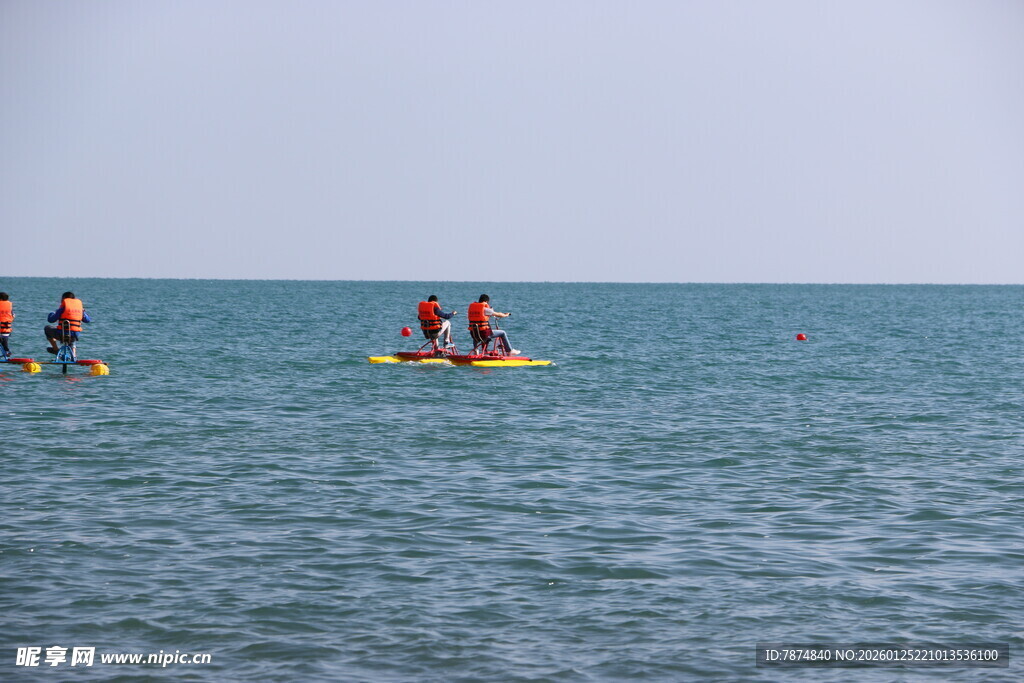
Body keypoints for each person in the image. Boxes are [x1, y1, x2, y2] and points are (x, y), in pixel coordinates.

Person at [0, 292, 13, 358]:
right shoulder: (9, 306)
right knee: (4, 341)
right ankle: (7, 350)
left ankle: (6, 350)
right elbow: (12, 316)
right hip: (6, 328)